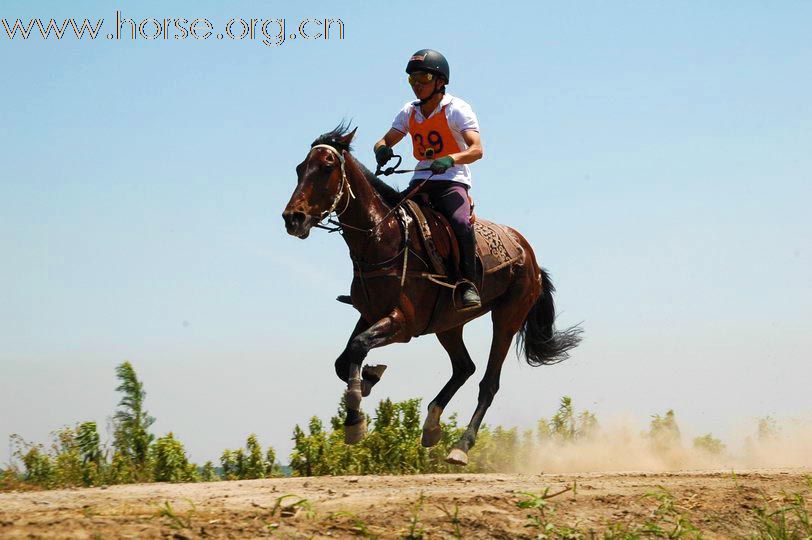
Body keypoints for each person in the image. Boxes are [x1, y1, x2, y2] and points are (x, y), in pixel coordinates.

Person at [375, 49, 484, 309]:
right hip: (422, 179)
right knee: (387, 220)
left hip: (451, 180)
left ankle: (468, 283)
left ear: (440, 81)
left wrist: (451, 159)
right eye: (412, 80)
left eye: (422, 78)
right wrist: (381, 149)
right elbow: (384, 139)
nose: (416, 85)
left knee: (460, 222)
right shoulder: (408, 111)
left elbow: (477, 150)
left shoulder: (457, 109)